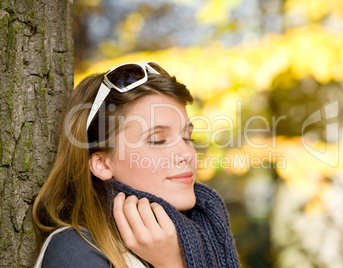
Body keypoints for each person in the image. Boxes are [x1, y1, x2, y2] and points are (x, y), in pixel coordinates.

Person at [32, 62, 241, 267]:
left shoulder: (203, 231)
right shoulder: (74, 252)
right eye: (158, 140)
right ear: (103, 164)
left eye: (187, 138)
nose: (187, 154)